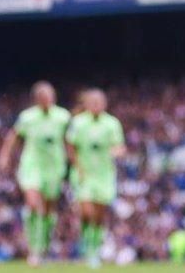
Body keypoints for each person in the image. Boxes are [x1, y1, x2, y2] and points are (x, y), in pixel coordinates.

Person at [0, 81, 72, 266]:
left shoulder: (63, 116)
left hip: (54, 167)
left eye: (50, 96)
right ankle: (34, 249)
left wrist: (75, 163)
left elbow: (69, 141)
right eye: (43, 97)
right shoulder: (27, 117)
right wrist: (5, 156)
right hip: (31, 166)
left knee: (48, 210)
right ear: (37, 99)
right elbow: (13, 136)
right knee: (33, 204)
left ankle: (44, 244)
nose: (47, 100)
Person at [67, 88, 126, 269]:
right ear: (86, 104)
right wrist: (78, 168)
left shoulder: (112, 123)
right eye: (93, 103)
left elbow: (120, 147)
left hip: (104, 176)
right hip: (84, 175)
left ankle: (94, 251)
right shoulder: (78, 123)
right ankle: (88, 248)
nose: (96, 106)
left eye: (99, 103)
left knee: (99, 216)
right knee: (86, 212)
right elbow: (70, 146)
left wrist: (116, 152)